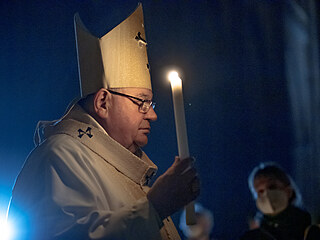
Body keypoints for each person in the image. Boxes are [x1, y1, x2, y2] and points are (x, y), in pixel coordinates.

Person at [7, 4, 200, 240]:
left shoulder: (124, 166)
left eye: (151, 104)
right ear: (103, 103)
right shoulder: (59, 157)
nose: (152, 115)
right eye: (141, 102)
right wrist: (155, 207)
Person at [240, 162, 311, 240]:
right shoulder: (253, 237)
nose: (267, 194)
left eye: (272, 187)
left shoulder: (309, 229)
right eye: (260, 191)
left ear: (288, 191)